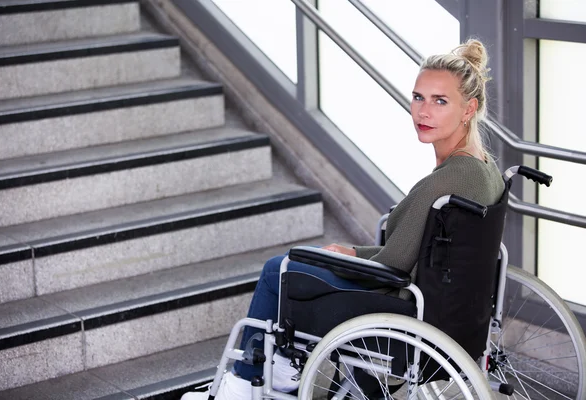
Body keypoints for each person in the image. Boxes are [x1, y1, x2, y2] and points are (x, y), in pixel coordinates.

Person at [182, 38, 505, 400]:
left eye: (440, 101)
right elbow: (420, 249)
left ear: (468, 109)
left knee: (282, 268)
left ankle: (245, 383)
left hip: (406, 304)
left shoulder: (448, 179)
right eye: (418, 97)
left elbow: (395, 262)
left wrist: (350, 257)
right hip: (451, 310)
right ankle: (309, 371)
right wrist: (352, 252)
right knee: (322, 259)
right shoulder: (484, 169)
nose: (422, 111)